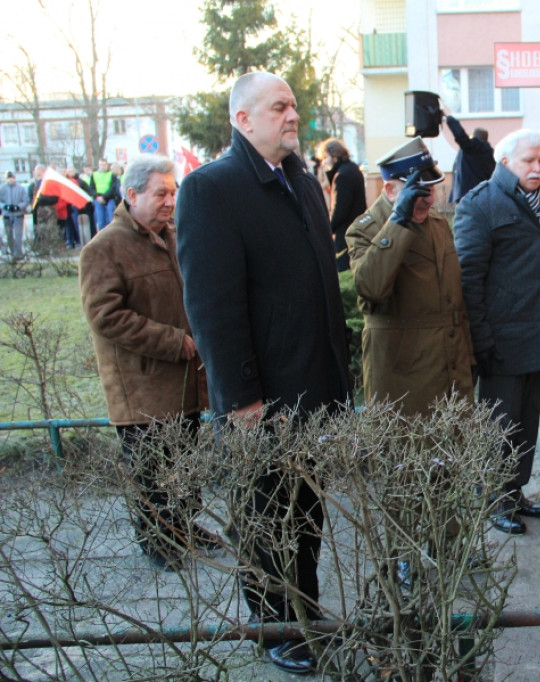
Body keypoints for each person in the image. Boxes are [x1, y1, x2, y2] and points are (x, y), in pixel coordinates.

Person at [176, 71, 353, 676]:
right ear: (242, 119)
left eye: (295, 105)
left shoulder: (300, 182)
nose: (292, 114)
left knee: (306, 514)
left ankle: (304, 607)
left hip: (316, 387)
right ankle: (275, 628)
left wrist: (339, 375)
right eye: (279, 106)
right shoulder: (211, 190)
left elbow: (320, 289)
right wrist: (242, 402)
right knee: (265, 517)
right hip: (263, 403)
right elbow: (214, 310)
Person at [78, 156, 216, 570]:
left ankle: (184, 526)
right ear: (132, 194)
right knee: (152, 472)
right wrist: (175, 341)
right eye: (161, 194)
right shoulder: (104, 249)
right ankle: (158, 541)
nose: (170, 202)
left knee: (185, 463)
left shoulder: (174, 238)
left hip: (185, 379)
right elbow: (106, 317)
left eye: (173, 193)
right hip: (141, 387)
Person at [453, 129, 540, 535]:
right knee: (498, 422)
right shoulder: (480, 205)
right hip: (499, 337)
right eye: (528, 161)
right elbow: (468, 280)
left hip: (535, 329)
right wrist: (482, 341)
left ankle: (514, 491)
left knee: (525, 419)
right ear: (504, 163)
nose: (538, 167)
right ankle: (492, 498)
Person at [346, 136, 473, 417]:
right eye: (417, 191)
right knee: (408, 455)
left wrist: (468, 357)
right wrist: (397, 223)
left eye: (431, 190)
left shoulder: (437, 223)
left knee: (457, 452)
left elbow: (453, 297)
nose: (429, 199)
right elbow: (371, 288)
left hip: (451, 364)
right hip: (403, 374)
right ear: (391, 190)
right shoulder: (365, 229)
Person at [318, 137, 366, 272]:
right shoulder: (352, 168)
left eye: (325, 157)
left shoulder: (342, 175)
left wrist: (326, 231)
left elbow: (339, 211)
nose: (324, 162)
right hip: (355, 231)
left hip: (345, 235)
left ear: (335, 155)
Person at [441, 105, 495, 204]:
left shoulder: (475, 147)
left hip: (470, 197)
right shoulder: (487, 154)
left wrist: (449, 118)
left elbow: (461, 136)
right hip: (479, 196)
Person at [0, 171, 30, 258]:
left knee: (18, 234)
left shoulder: (21, 188)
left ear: (15, 178)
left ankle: (19, 253)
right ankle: (12, 252)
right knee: (9, 235)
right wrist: (5, 206)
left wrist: (18, 207)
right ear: (6, 179)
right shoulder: (2, 188)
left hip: (18, 215)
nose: (11, 180)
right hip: (7, 215)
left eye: (12, 178)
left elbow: (26, 200)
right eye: (9, 178)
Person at [90, 159, 120, 230]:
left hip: (109, 198)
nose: (102, 166)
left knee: (111, 220)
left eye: (104, 164)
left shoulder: (111, 174)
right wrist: (96, 196)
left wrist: (104, 197)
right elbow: (91, 188)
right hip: (98, 199)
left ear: (107, 165)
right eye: (101, 164)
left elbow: (113, 187)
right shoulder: (94, 175)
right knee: (100, 221)